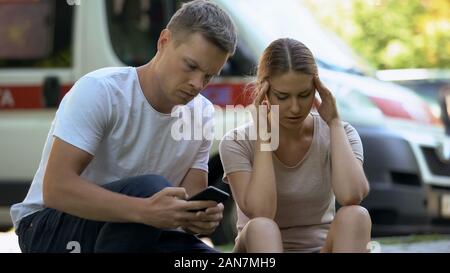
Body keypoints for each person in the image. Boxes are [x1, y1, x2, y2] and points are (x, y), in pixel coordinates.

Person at [11, 0, 237, 253]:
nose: (197, 83)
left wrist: (201, 218)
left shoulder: (203, 113)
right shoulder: (102, 90)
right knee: (149, 189)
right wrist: (145, 210)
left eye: (208, 75)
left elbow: (190, 199)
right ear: (164, 42)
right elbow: (56, 189)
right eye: (191, 66)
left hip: (141, 230)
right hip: (49, 227)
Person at [219, 38, 372, 253]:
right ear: (264, 91)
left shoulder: (341, 133)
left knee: (356, 215)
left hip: (320, 247)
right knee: (262, 226)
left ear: (317, 89)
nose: (294, 107)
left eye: (304, 95)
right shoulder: (237, 142)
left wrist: (334, 122)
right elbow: (262, 211)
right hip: (259, 250)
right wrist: (264, 137)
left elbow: (352, 195)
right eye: (282, 97)